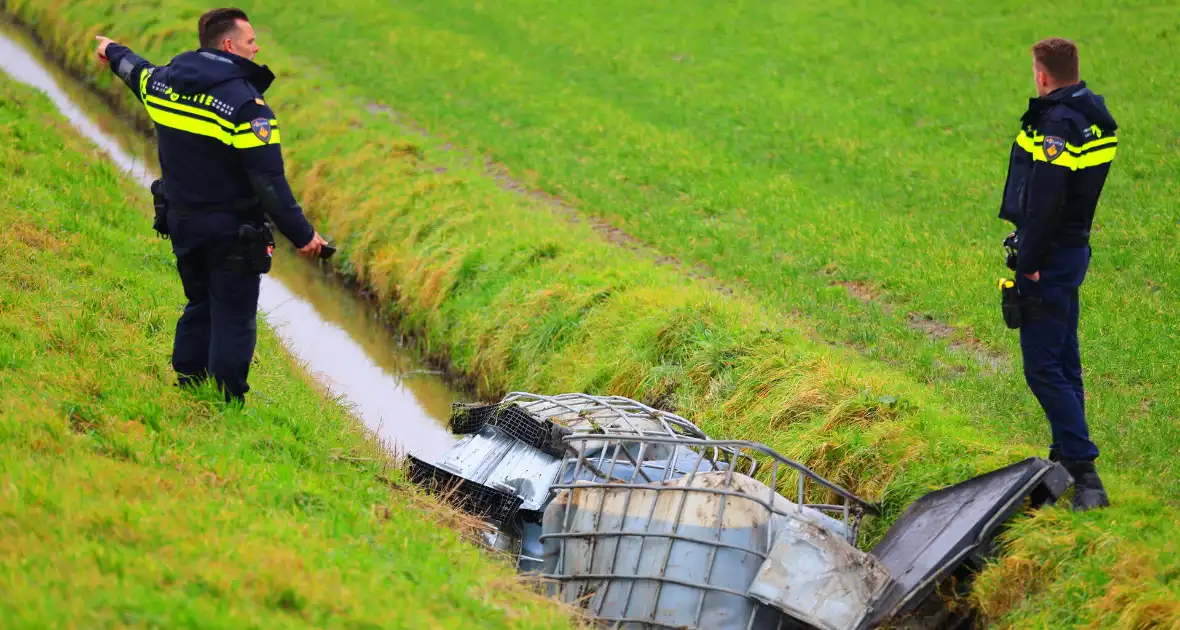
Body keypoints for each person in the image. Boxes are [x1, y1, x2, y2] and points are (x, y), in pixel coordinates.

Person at [94, 8, 327, 403]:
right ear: (229, 45)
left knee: (199, 301)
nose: (257, 48)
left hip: (181, 222)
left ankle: (189, 382)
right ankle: (225, 402)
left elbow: (136, 71)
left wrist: (112, 50)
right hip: (232, 232)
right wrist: (304, 236)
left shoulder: (165, 83)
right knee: (234, 316)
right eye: (252, 41)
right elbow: (268, 181)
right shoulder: (248, 107)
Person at [997, 37, 1118, 511]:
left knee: (1043, 367)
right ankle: (1063, 463)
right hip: (1072, 251)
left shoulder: (1058, 126)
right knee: (1063, 359)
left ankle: (1085, 474)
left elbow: (1046, 199)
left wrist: (1028, 262)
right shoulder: (1091, 116)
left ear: (1042, 74)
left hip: (1048, 256)